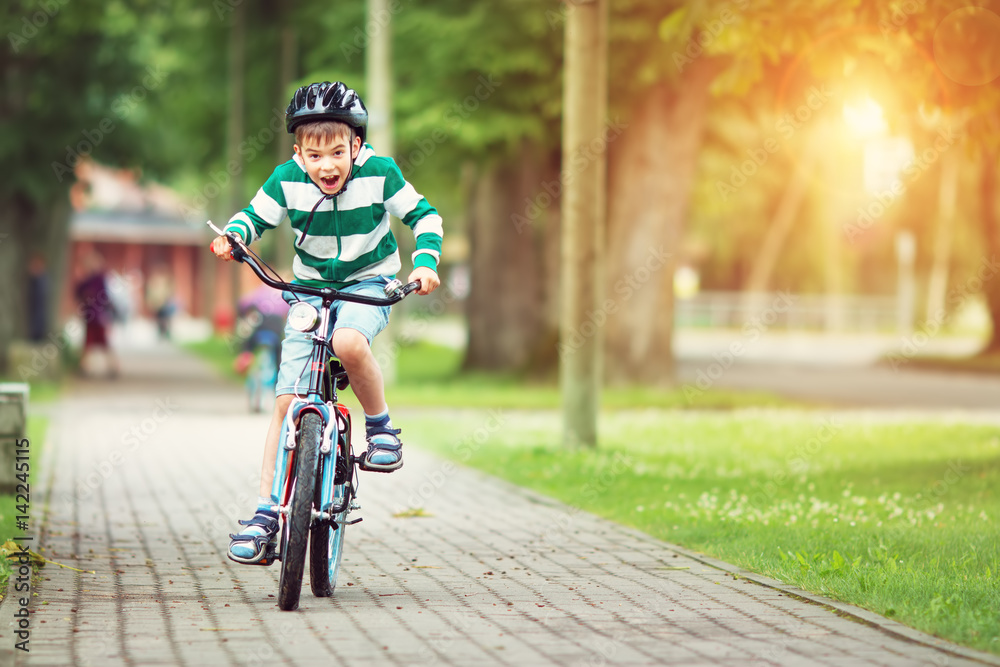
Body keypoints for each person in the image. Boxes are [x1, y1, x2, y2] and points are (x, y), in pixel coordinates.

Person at [210, 81, 442, 564]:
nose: (327, 166)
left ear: (357, 146)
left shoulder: (380, 173)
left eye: (338, 152)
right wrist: (234, 236)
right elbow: (254, 216)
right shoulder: (286, 178)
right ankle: (265, 514)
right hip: (310, 291)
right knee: (285, 404)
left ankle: (380, 428)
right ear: (299, 153)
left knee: (349, 342)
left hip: (367, 284)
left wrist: (424, 262)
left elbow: (424, 216)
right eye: (314, 156)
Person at [74, 251, 121, 378]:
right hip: (90, 316)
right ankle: (85, 367)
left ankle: (113, 367)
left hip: (98, 316)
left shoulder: (99, 279)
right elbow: (78, 292)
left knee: (103, 343)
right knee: (89, 344)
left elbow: (103, 297)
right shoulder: (87, 280)